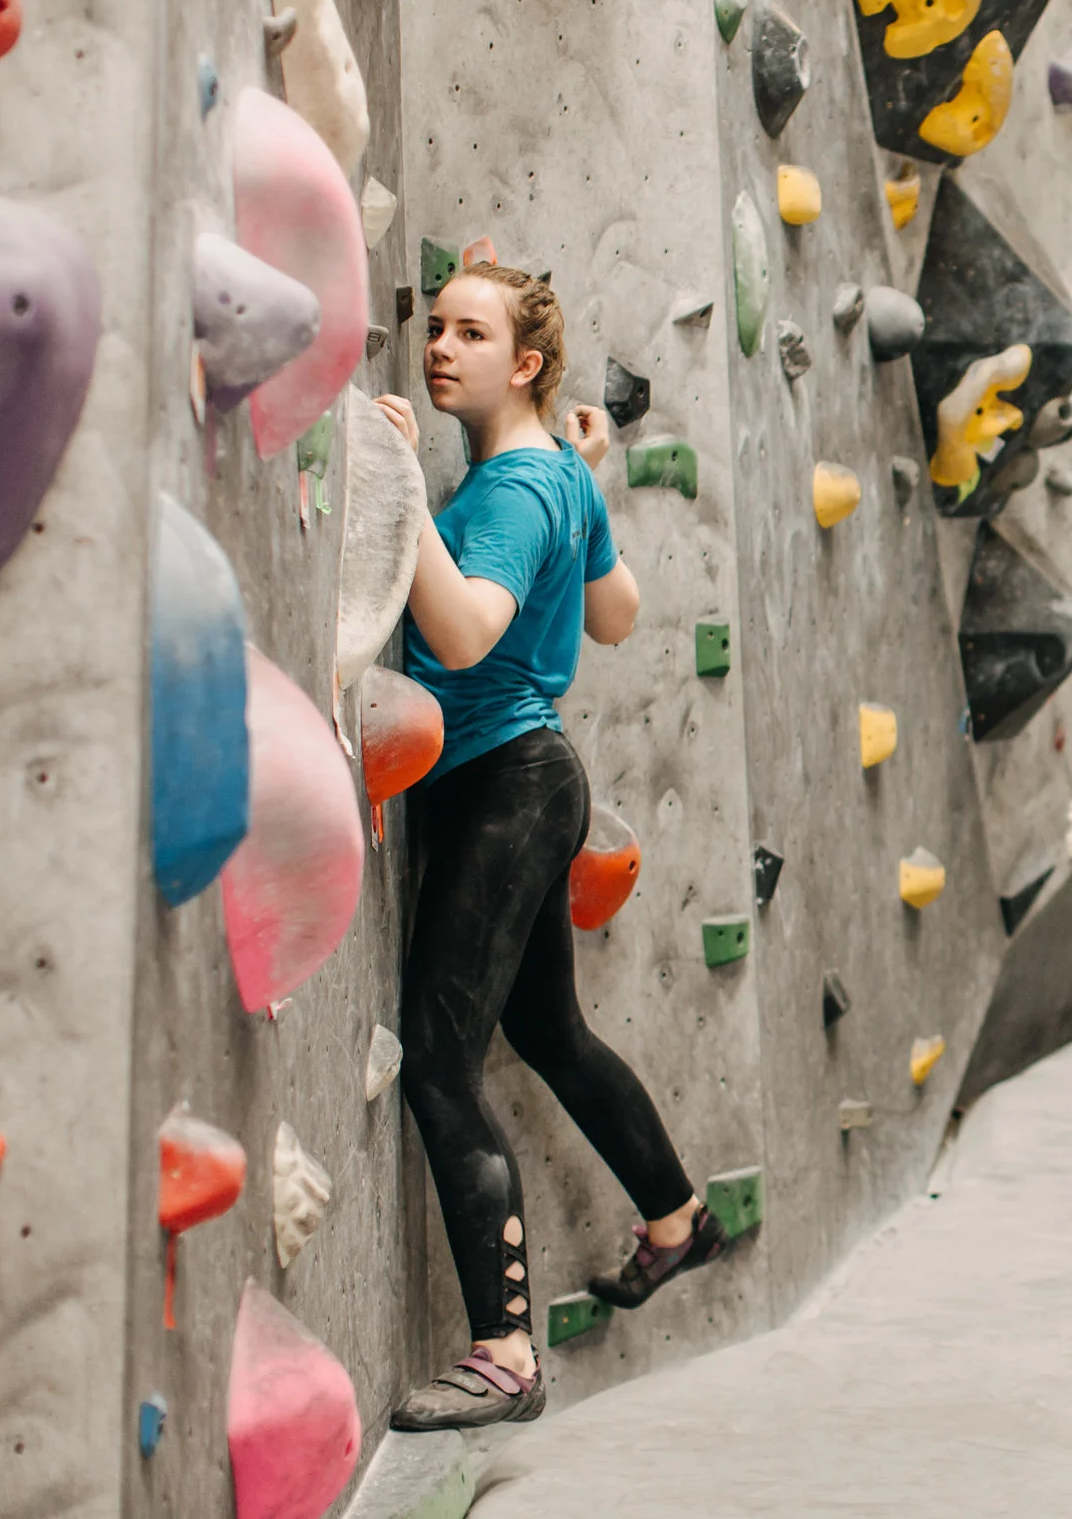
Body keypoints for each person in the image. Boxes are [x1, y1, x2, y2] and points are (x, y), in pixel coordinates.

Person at [380, 264, 731, 1430]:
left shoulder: (516, 489)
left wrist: (393, 485)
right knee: (545, 1028)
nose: (438, 347)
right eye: (434, 327)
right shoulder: (556, 476)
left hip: (503, 788)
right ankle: (677, 1215)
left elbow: (467, 630)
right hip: (527, 782)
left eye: (469, 332)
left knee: (438, 1056)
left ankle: (504, 1352)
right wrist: (593, 476)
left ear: (523, 364)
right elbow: (618, 610)